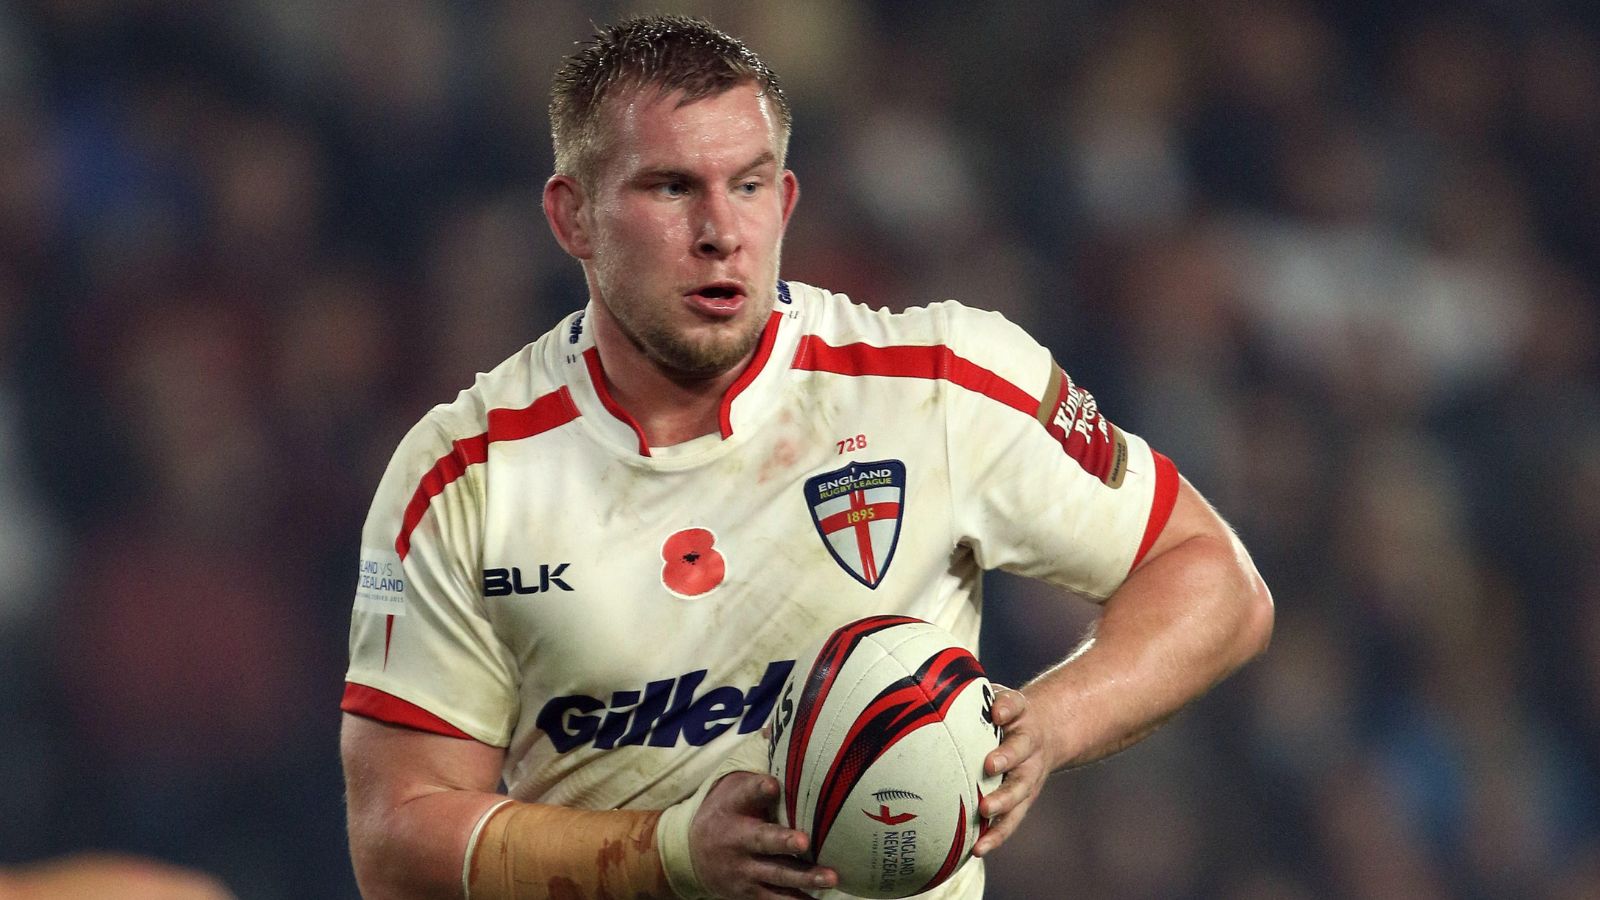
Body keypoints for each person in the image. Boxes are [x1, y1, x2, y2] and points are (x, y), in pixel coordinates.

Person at [339, 14, 1273, 900]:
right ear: (572, 218)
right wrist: (670, 853)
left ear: (785, 199)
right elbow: (394, 837)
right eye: (671, 188)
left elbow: (1214, 581)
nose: (721, 230)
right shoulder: (464, 475)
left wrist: (1052, 726)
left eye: (748, 185)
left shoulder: (942, 385)